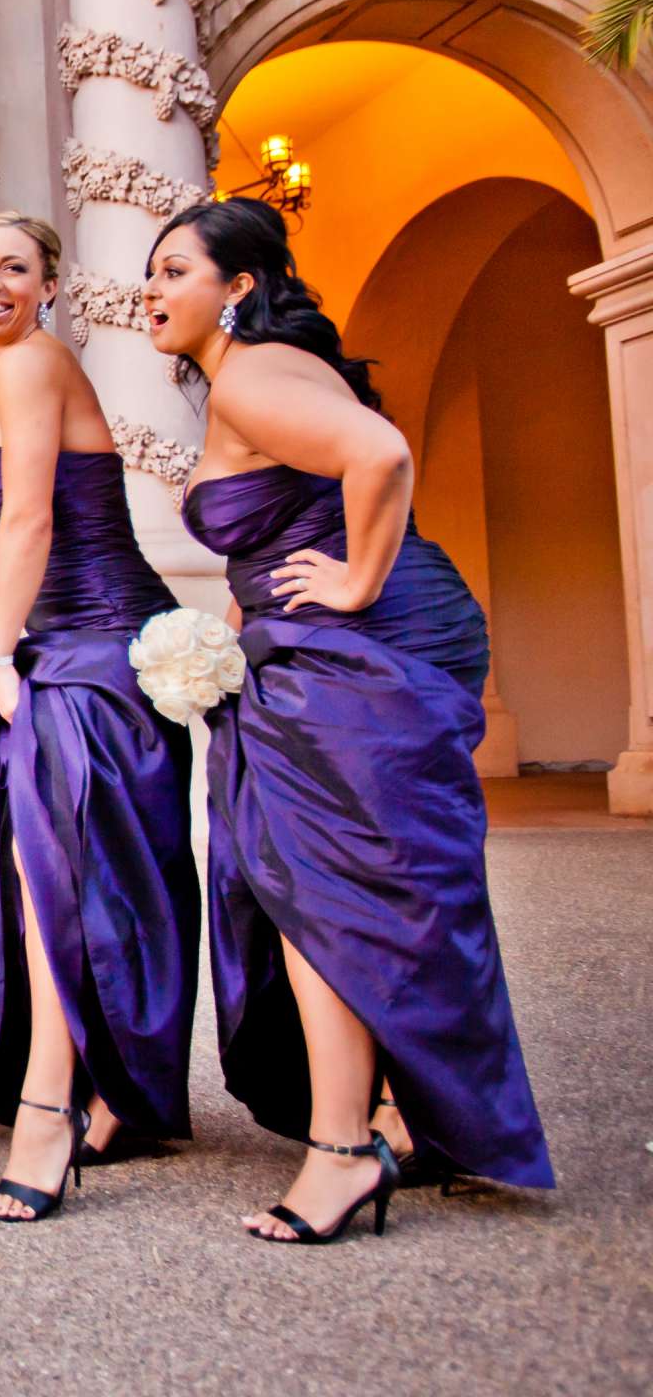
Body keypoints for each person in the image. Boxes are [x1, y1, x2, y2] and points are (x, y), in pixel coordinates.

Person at [148, 197, 553, 1242]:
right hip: (329, 650)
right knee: (330, 886)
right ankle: (387, 1118)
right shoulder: (254, 378)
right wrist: (241, 624)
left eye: (175, 270)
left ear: (238, 287)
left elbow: (378, 456)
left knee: (322, 892)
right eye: (151, 272)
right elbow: (285, 516)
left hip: (365, 648)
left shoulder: (256, 373)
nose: (151, 289)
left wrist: (354, 578)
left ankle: (343, 1152)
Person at [0, 213, 199, 1223]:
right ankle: (119, 1090)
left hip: (96, 636)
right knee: (98, 871)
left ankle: (48, 1109)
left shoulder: (34, 359)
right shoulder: (17, 368)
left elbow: (35, 517)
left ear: (49, 287)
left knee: (53, 871)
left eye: (14, 267)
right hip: (76, 635)